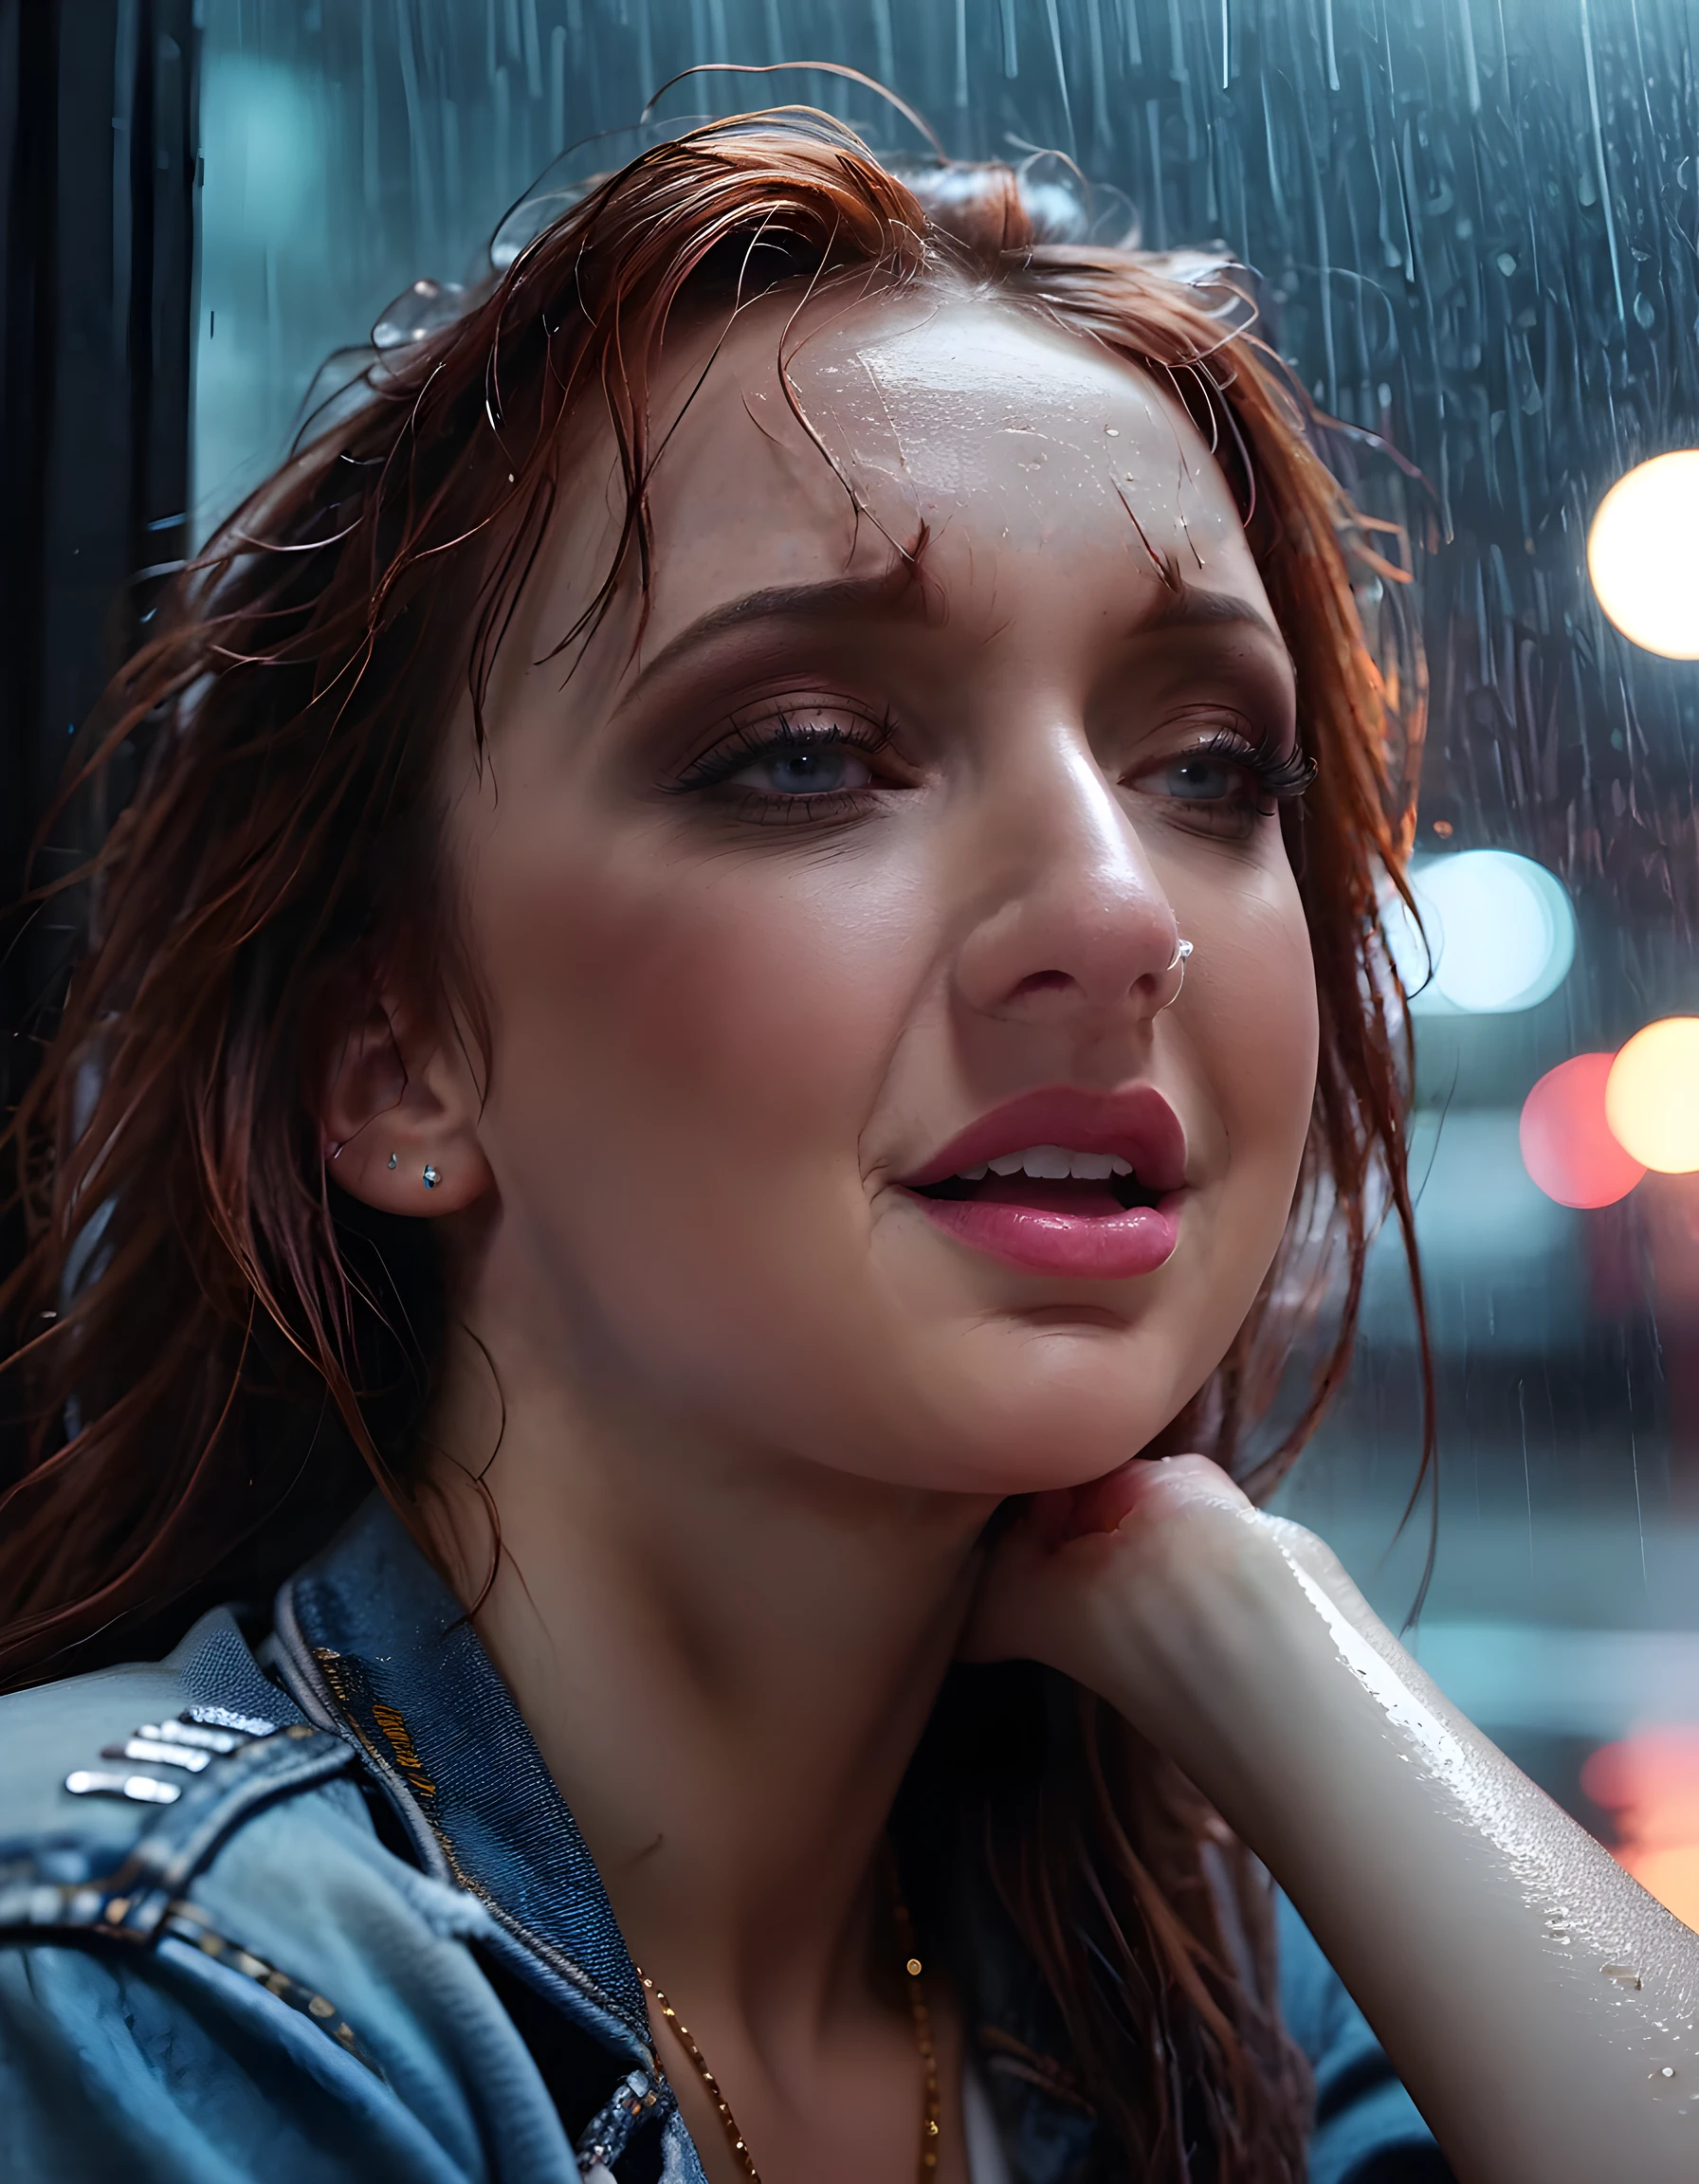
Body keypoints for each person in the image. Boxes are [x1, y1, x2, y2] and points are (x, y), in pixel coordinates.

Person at [0, 109, 1691, 2184]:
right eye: (804, 754)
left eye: (1206, 766)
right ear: (397, 1063)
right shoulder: (146, 1992)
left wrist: (1276, 1651)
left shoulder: (1186, 1960)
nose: (1113, 912)